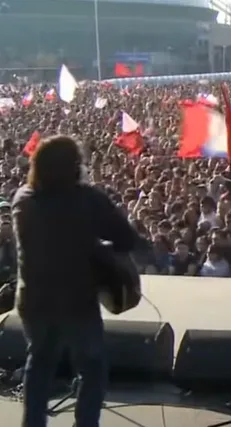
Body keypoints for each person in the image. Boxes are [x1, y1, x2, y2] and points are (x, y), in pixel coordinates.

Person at [13, 135, 139, 427]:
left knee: (39, 365)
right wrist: (98, 248)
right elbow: (126, 238)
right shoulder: (87, 199)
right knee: (92, 368)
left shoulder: (23, 199)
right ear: (74, 166)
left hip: (33, 300)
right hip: (77, 302)